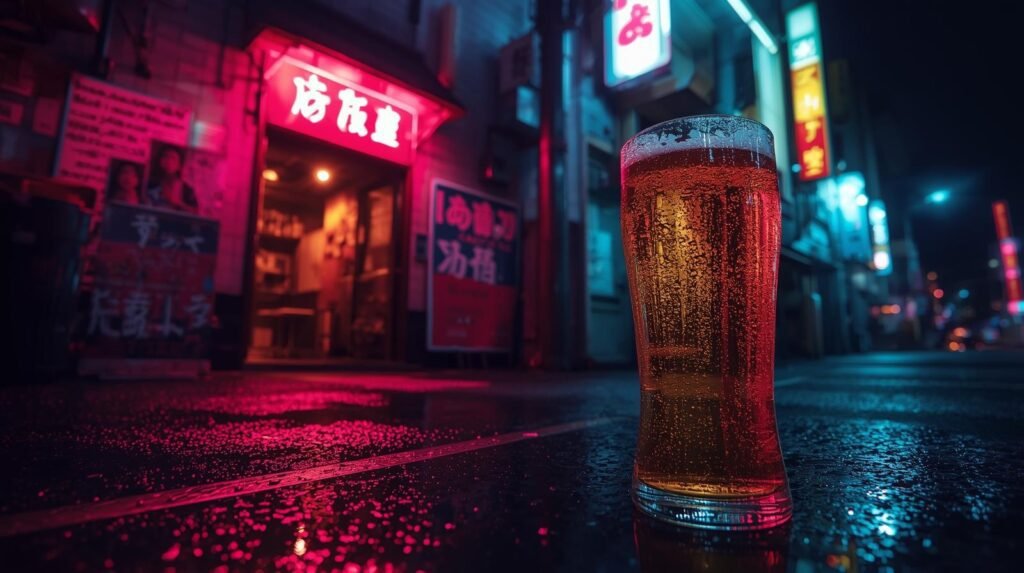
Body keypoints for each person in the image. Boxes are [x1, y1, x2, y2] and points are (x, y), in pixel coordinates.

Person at [146, 144, 198, 214]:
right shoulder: (150, 183)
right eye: (165, 156)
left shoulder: (186, 190)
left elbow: (196, 212)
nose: (169, 161)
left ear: (179, 165)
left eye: (173, 158)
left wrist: (178, 203)